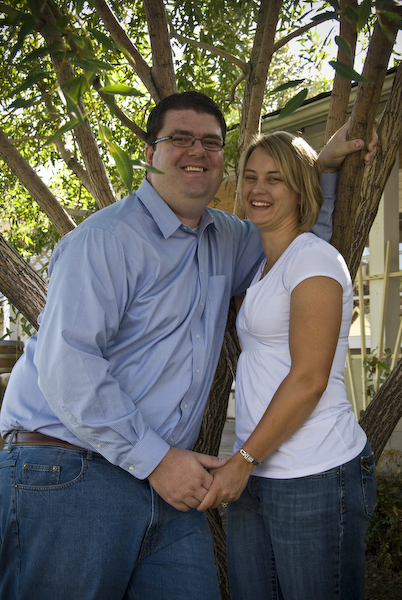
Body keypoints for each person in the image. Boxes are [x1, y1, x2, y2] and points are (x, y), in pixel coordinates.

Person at [0, 91, 375, 600]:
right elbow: (69, 366)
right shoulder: (106, 240)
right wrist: (157, 461)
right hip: (73, 468)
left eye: (211, 142)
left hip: (172, 482)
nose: (197, 150)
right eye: (180, 138)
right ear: (149, 152)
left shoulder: (229, 237)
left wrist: (322, 168)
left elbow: (297, 242)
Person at [197, 131, 377, 600]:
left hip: (314, 473)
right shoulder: (266, 265)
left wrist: (242, 462)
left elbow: (309, 379)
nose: (258, 189)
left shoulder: (314, 260)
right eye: (251, 177)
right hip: (258, 473)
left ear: (300, 189)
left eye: (275, 179)